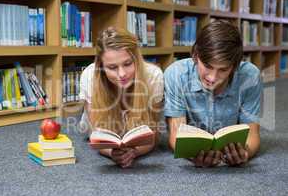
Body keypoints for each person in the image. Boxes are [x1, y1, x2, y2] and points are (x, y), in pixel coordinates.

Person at [164, 20, 262, 167]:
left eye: (223, 70)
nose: (212, 78)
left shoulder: (250, 76)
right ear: (196, 56)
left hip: (230, 145)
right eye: (207, 66)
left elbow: (252, 133)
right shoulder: (176, 74)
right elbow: (175, 134)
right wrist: (191, 156)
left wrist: (245, 153)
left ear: (234, 66)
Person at [79, 27, 163, 168]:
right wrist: (112, 152)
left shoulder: (154, 76)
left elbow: (152, 135)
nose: (122, 74)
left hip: (135, 133)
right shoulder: (89, 75)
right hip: (101, 129)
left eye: (128, 63)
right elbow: (97, 135)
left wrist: (134, 152)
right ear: (101, 67)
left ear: (136, 59)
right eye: (112, 67)